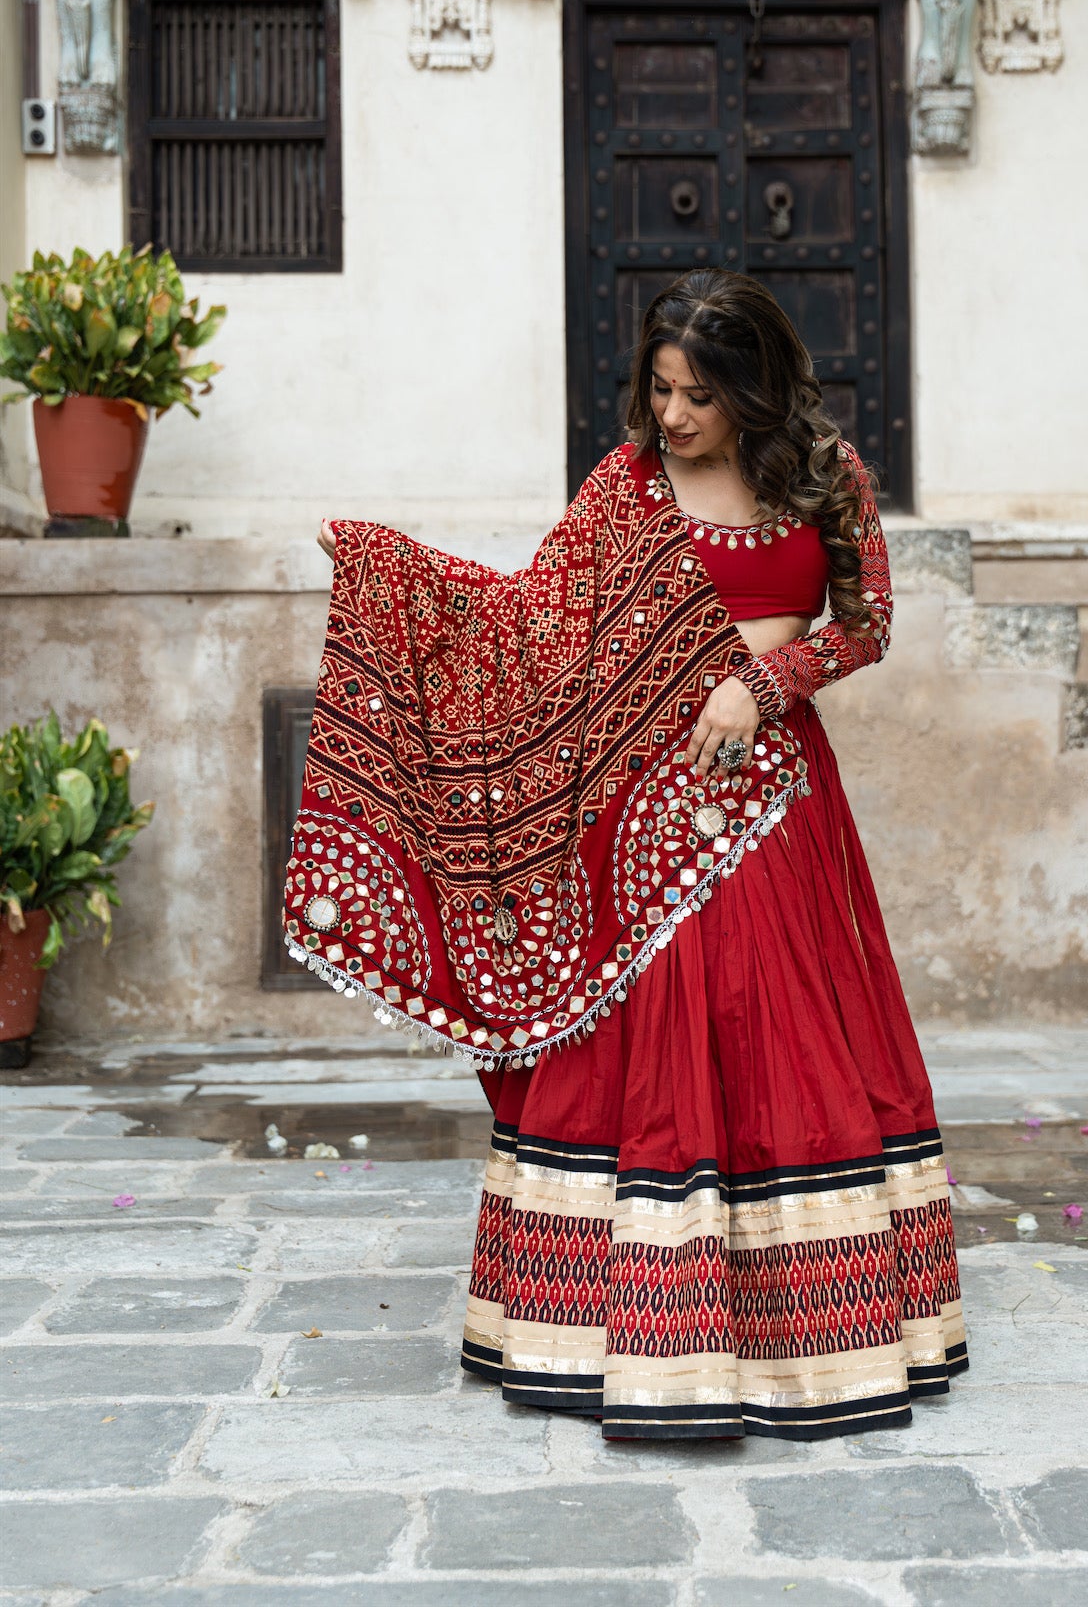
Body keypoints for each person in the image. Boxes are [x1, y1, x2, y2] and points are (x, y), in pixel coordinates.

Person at [303, 268, 965, 1442]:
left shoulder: (827, 478)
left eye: (698, 394)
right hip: (642, 816)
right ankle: (627, 1331)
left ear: (753, 388)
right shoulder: (628, 486)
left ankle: (805, 1332)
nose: (673, 416)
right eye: (659, 388)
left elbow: (864, 630)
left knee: (778, 1036)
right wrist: (386, 569)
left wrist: (764, 683)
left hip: (769, 807)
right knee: (648, 1059)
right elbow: (526, 624)